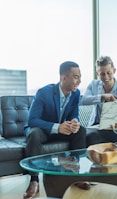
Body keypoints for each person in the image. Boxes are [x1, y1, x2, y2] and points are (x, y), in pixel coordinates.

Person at [23, 61, 87, 198]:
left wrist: (75, 122)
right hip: (43, 131)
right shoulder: (44, 92)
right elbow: (32, 120)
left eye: (80, 77)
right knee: (33, 133)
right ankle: (34, 181)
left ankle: (75, 173)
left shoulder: (76, 94)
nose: (79, 81)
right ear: (64, 78)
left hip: (62, 131)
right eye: (76, 77)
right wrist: (57, 128)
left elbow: (74, 113)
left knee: (80, 130)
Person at [81, 56, 117, 146]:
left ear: (114, 71)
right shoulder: (94, 85)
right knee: (90, 136)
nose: (106, 77)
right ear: (97, 73)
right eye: (102, 74)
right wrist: (102, 97)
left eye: (109, 73)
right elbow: (84, 100)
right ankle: (96, 159)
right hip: (98, 127)